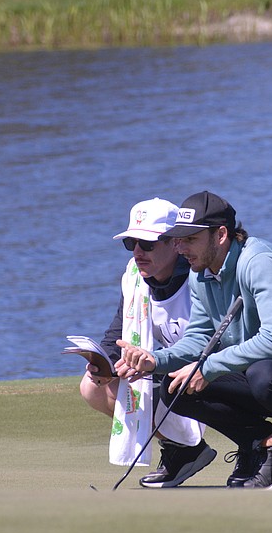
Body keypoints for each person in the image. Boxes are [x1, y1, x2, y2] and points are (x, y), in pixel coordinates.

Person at [116, 191, 272, 489]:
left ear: (220, 234)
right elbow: (198, 339)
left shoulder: (262, 262)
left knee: (264, 373)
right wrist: (156, 360)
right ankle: (270, 446)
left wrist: (207, 368)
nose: (181, 248)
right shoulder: (201, 274)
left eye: (190, 239)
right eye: (179, 239)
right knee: (177, 387)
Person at [79, 197, 216, 488]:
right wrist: (103, 363)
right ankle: (185, 450)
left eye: (148, 244)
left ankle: (261, 447)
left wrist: (152, 367)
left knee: (167, 384)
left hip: (216, 371)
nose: (138, 252)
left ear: (175, 244)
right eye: (132, 244)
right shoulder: (135, 277)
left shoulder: (200, 278)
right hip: (171, 370)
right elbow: (117, 333)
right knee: (92, 387)